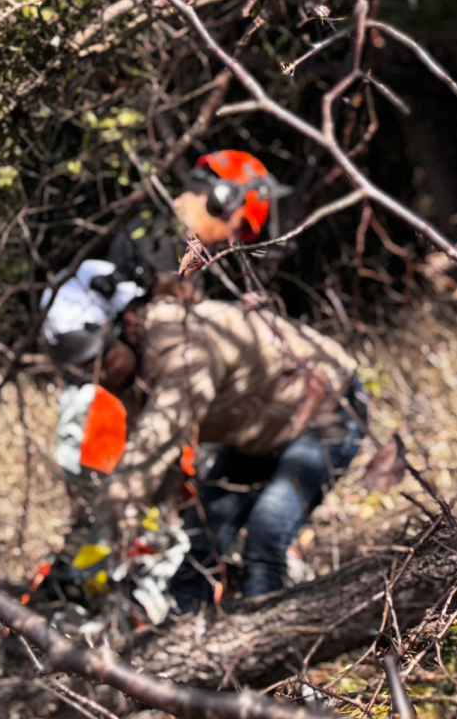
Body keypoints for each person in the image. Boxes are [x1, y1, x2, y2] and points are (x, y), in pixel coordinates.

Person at [53, 150, 366, 622]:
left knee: (264, 537)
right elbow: (147, 443)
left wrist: (114, 513)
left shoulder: (179, 336)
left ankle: (273, 653)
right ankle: (184, 660)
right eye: (239, 231)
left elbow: (167, 422)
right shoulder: (153, 253)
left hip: (324, 411)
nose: (235, 243)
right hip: (254, 429)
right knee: (199, 548)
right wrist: (113, 523)